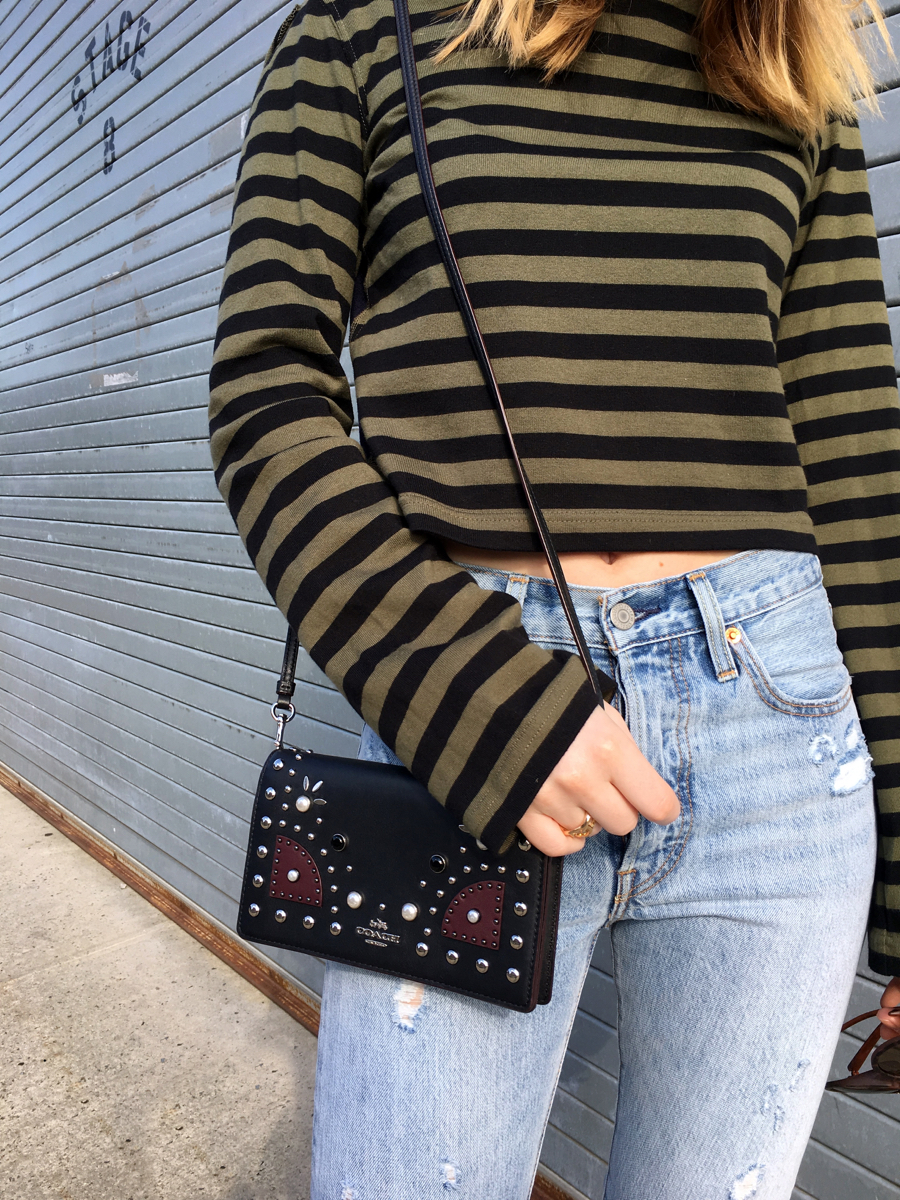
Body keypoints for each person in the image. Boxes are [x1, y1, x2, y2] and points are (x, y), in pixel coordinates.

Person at [209, 0, 900, 1192]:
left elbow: (855, 461)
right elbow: (267, 390)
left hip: (780, 735)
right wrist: (481, 697)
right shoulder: (365, 26)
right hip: (477, 727)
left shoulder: (790, 57)